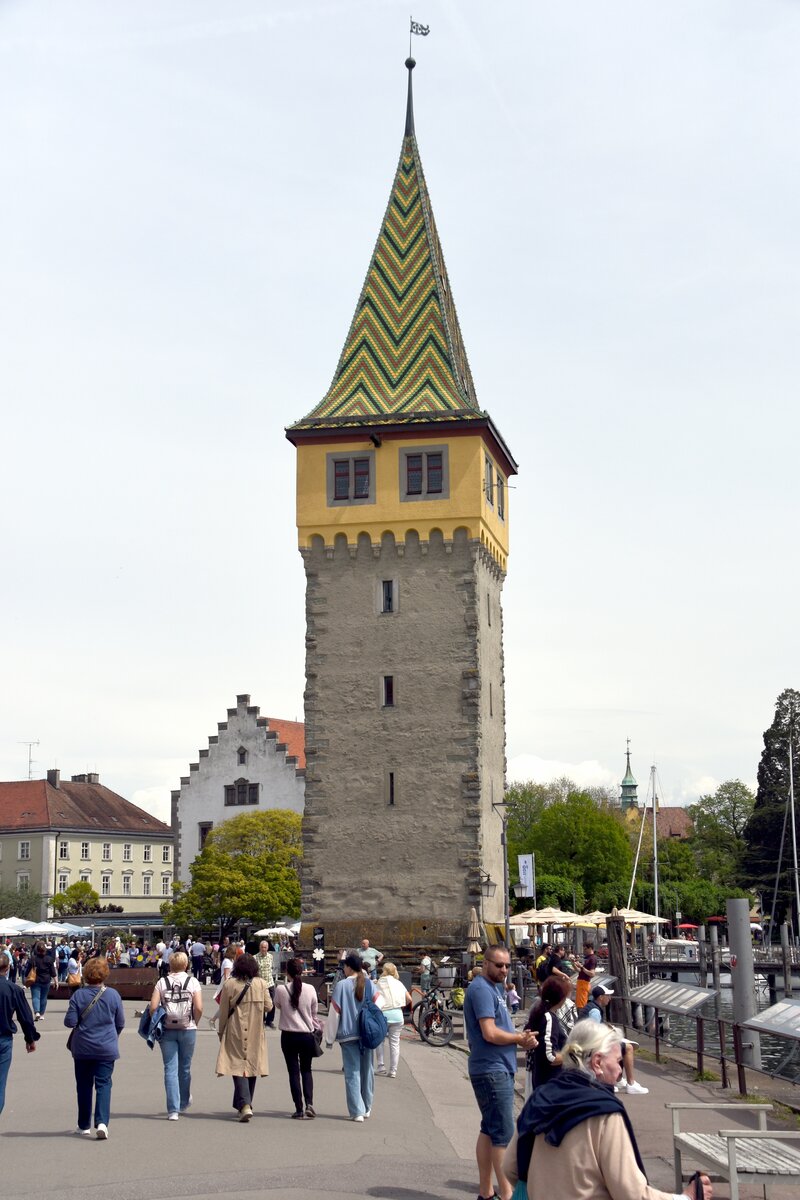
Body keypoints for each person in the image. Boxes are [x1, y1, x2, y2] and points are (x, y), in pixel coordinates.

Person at [503, 1020, 712, 1200]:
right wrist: (686, 1196)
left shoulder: (539, 1098)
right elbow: (630, 1193)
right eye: (619, 1062)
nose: (621, 1071)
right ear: (598, 1062)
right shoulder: (604, 1113)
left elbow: (510, 1168)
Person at [463, 945, 538, 1200]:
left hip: (494, 1067)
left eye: (507, 966)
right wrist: (519, 1039)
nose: (504, 970)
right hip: (491, 1069)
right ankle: (507, 1195)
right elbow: (490, 1033)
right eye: (498, 965)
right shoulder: (482, 989)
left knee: (490, 1130)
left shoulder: (494, 988)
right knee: (503, 1136)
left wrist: (520, 1036)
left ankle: (486, 1192)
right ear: (485, 964)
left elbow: (498, 1027)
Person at [64, 955, 125, 1139]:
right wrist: (112, 1035)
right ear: (105, 974)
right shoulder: (113, 995)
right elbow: (120, 1022)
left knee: (83, 1085)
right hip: (106, 1046)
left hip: (82, 1046)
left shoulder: (78, 995)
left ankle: (83, 1124)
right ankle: (102, 1123)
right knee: (104, 1084)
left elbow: (70, 1022)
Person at [215, 952, 272, 1122]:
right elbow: (269, 1006)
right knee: (252, 1063)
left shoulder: (230, 984)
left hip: (235, 1027)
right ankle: (244, 1104)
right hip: (256, 1029)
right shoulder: (261, 984)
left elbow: (224, 1011)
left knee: (236, 1064)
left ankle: (245, 1105)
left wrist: (221, 1031)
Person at [149, 949, 202, 1120]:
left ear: (170, 965)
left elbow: (153, 1007)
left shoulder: (162, 982)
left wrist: (156, 1021)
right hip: (188, 1028)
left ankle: (173, 1110)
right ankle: (184, 1101)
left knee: (170, 1068)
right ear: (186, 965)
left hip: (167, 1030)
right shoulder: (192, 981)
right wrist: (196, 1021)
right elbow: (199, 1007)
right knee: (185, 1067)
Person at [328, 951, 376, 1122]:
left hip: (348, 1034)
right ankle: (367, 1106)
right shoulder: (369, 984)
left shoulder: (341, 986)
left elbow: (335, 1013)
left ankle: (357, 1111)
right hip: (367, 1034)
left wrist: (329, 1039)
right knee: (367, 1070)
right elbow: (380, 1003)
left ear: (348, 967)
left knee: (352, 1072)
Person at [579, 985, 649, 1095]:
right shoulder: (595, 1011)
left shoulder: (591, 1006)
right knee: (628, 1047)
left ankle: (618, 1079)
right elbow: (594, 1032)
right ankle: (631, 1084)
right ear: (601, 997)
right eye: (608, 996)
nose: (610, 998)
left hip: (586, 1043)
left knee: (622, 1045)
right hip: (590, 1046)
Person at [274, 956, 319, 1119]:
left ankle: (298, 1108)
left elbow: (277, 1005)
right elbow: (314, 1012)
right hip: (306, 1034)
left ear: (287, 973)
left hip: (288, 1035)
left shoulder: (281, 989)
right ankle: (309, 1103)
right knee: (306, 1069)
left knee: (293, 1072)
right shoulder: (311, 989)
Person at [0, 950, 38, 1114]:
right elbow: (25, 1017)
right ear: (7, 968)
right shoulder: (13, 989)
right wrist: (30, 1038)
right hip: (3, 1038)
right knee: (0, 1083)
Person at [525, 976, 570, 1094]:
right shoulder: (549, 1018)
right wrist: (572, 1054)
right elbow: (550, 1056)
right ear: (561, 998)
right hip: (550, 1082)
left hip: (544, 1080)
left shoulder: (540, 1013)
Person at [374, 962, 411, 1078]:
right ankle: (393, 1070)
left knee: (380, 1041)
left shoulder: (379, 983)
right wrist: (400, 1006)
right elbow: (409, 998)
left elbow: (374, 998)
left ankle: (381, 1066)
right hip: (397, 1015)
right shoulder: (399, 983)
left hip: (383, 1015)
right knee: (395, 1044)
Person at [29, 941, 56, 1022]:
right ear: (45, 950)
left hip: (35, 980)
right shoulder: (49, 959)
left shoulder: (33, 958)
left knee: (35, 996)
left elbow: (27, 970)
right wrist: (56, 981)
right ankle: (42, 1014)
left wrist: (26, 978)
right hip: (46, 980)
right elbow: (53, 971)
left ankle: (37, 1012)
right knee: (44, 997)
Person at [255, 940, 276, 1028]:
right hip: (260, 983)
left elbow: (272, 968)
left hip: (270, 983)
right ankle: (261, 1020)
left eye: (265, 947)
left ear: (267, 948)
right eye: (262, 947)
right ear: (260, 948)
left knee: (272, 1002)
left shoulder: (270, 957)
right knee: (260, 1002)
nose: (264, 949)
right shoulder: (255, 957)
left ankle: (269, 1020)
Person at [575, 940, 598, 1010]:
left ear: (590, 948)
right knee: (579, 1004)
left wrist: (581, 967)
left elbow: (592, 974)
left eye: (585, 949)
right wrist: (574, 963)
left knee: (581, 1005)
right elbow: (580, 971)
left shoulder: (592, 958)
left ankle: (582, 1019)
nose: (584, 951)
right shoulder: (587, 958)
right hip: (581, 982)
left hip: (584, 983)